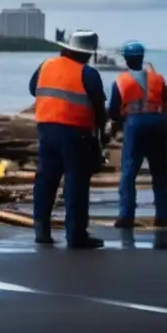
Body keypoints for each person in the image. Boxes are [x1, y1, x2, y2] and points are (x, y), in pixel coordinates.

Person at [29, 30, 107, 250]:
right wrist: (102, 135)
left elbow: (33, 89)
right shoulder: (88, 73)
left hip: (46, 128)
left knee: (46, 179)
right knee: (76, 183)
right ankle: (76, 235)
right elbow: (99, 107)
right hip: (76, 132)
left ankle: (42, 230)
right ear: (86, 53)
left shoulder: (45, 66)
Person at [106, 41, 167, 229]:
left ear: (126, 59)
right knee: (159, 173)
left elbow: (113, 111)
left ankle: (126, 215)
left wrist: (118, 126)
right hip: (158, 124)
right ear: (142, 58)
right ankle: (162, 216)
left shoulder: (120, 81)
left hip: (135, 125)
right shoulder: (157, 79)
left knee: (129, 173)